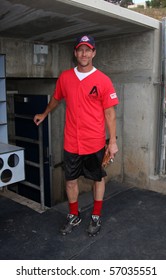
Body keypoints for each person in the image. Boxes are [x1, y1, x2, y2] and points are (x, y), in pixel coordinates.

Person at [34, 35, 119, 236]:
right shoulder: (65, 77)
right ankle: (74, 215)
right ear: (75, 53)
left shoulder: (103, 80)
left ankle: (96, 216)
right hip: (71, 141)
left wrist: (112, 141)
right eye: (80, 50)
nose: (84, 53)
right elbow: (56, 98)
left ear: (93, 53)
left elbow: (110, 113)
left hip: (95, 142)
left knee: (97, 179)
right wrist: (44, 114)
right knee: (70, 181)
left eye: (88, 50)